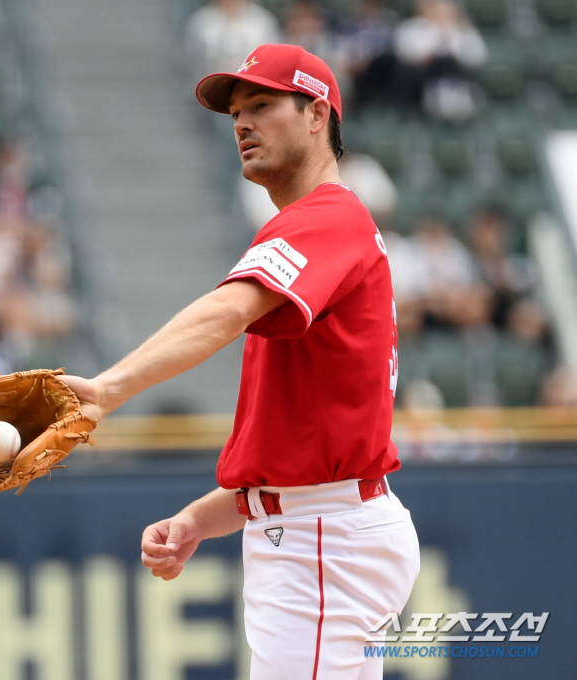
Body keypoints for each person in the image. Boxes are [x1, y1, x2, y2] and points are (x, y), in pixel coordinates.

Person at [62, 44, 420, 680]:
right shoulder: (323, 228)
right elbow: (299, 448)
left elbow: (225, 313)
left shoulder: (327, 218)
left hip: (323, 541)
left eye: (262, 104)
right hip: (321, 528)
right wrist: (202, 517)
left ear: (317, 116)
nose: (243, 124)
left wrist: (108, 389)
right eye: (235, 113)